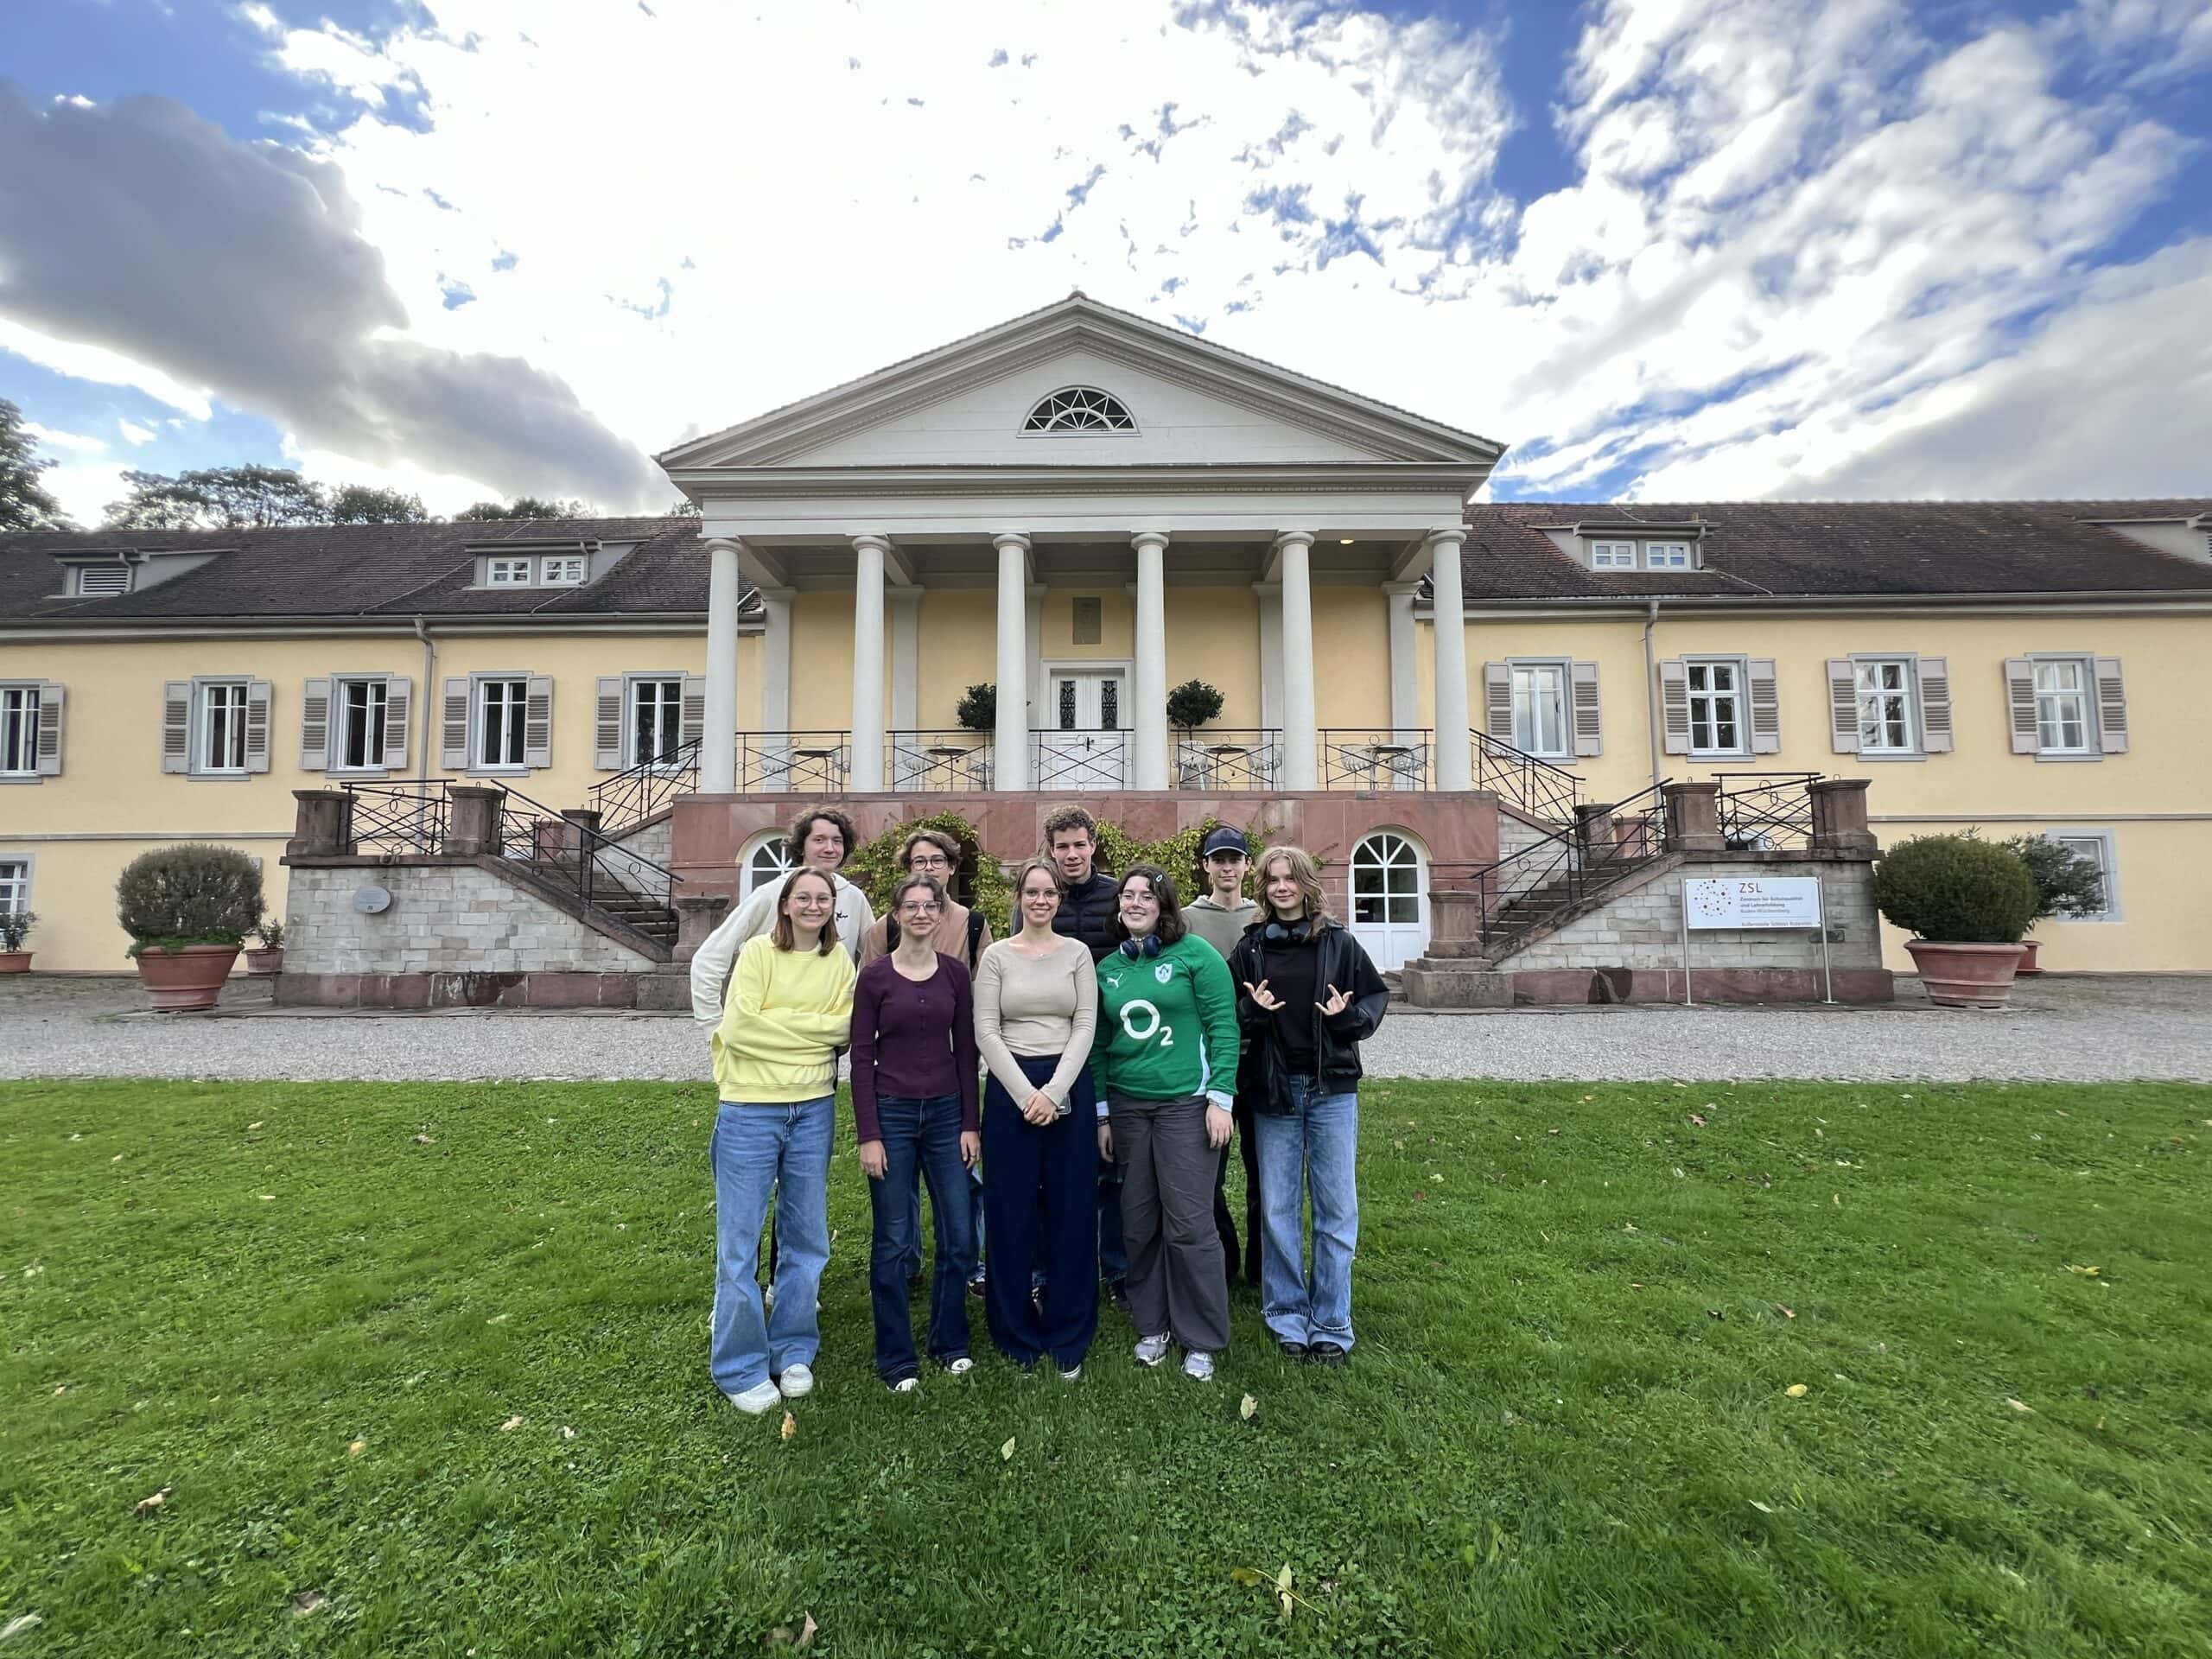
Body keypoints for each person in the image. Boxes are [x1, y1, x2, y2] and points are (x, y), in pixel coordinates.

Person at [1226, 846, 1389, 1368]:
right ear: (1263, 888)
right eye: (1271, 880)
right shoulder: (1251, 947)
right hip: (1273, 1090)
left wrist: (1346, 1020)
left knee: (1336, 1209)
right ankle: (1287, 1315)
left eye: (1289, 878)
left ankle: (1332, 1322)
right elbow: (1228, 1011)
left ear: (1305, 883)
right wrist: (1250, 1012)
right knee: (1277, 1210)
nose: (1281, 887)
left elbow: (1373, 998)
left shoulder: (1338, 942)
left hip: (1330, 1090)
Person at [707, 868, 856, 1414]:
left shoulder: (838, 961)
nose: (814, 906)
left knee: (806, 1236)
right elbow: (739, 1029)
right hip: (750, 1107)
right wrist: (809, 1031)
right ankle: (739, 1364)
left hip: (813, 1108)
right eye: (804, 897)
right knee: (740, 1241)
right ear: (786, 904)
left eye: (824, 898)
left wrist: (783, 1026)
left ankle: (793, 1348)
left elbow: (844, 1030)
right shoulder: (756, 954)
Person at [1093, 864, 1240, 1381]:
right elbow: (1098, 1047)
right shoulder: (1108, 968)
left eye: (1145, 896)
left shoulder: (1197, 956)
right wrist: (1103, 1114)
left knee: (1189, 1223)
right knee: (1138, 1222)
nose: (1134, 903)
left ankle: (1201, 1335)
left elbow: (1224, 1027)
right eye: (1126, 896)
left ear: (1164, 905)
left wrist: (1220, 1099)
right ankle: (1152, 1326)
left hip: (1187, 1105)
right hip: (1129, 1108)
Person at [850, 872, 982, 1393]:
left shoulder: (954, 974)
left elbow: (968, 1051)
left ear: (940, 912)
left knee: (958, 1235)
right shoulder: (876, 978)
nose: (922, 914)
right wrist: (869, 1134)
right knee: (894, 1238)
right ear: (896, 915)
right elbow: (861, 1057)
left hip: (948, 1113)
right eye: (912, 906)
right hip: (893, 1112)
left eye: (931, 905)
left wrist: (971, 1122)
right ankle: (896, 1355)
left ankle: (950, 1340)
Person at [973, 857, 1101, 1377]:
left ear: (1058, 899)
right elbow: (985, 1029)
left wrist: (1054, 1091)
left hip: (1068, 1083)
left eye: (1050, 892)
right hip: (1011, 1088)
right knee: (1010, 1210)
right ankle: (1015, 1331)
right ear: (1019, 898)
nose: (1042, 900)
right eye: (1032, 892)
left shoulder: (1078, 954)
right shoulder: (998, 957)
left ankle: (1069, 1331)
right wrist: (1028, 1093)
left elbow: (1085, 1023)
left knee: (1073, 1209)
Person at [859, 828, 994, 1298]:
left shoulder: (973, 924)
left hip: (949, 1067)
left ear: (952, 869)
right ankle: (909, 1258)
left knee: (963, 1178)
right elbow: (871, 992)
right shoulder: (885, 928)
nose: (928, 869)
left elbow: (983, 991)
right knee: (901, 1185)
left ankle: (968, 1260)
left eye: (937, 861)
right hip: (898, 1077)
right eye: (919, 861)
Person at [1030, 804, 1128, 1308]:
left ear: (1093, 844)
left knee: (1111, 1163)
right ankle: (1049, 1267)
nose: (1071, 854)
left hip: (1111, 1040)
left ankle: (1115, 1268)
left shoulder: (1119, 895)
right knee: (1054, 1164)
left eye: (1078, 844)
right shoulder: (1039, 898)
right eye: (1061, 846)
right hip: (1051, 1041)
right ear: (1051, 849)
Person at [690, 808, 874, 1024]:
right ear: (802, 845)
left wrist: (855, 1009)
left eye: (837, 840)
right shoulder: (771, 894)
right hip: (769, 1032)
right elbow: (710, 957)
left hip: (824, 1036)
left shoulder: (853, 897)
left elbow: (875, 958)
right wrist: (711, 1025)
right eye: (819, 840)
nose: (830, 848)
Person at [1183, 825, 1262, 1290]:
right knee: (1207, 1174)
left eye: (1235, 859)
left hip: (1260, 1059)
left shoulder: (1262, 916)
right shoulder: (1191, 920)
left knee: (1264, 1173)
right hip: (1210, 1060)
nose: (1227, 867)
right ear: (1207, 866)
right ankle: (1225, 1257)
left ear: (1246, 866)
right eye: (1219, 859)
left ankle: (1261, 1266)